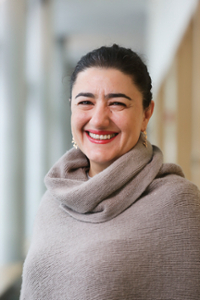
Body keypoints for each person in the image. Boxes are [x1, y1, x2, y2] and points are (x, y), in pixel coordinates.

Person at [20, 44, 200, 299]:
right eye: (85, 102)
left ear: (146, 114)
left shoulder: (179, 202)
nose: (98, 119)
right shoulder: (54, 198)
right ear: (71, 108)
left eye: (117, 103)